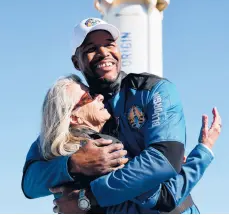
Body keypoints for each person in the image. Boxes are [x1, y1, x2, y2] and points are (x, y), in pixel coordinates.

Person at [21, 17, 222, 213]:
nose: (103, 53)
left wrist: (88, 198)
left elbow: (165, 160)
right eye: (91, 48)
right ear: (76, 62)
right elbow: (30, 182)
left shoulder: (154, 90)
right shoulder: (75, 119)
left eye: (110, 44)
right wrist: (74, 164)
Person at [39, 74, 220, 214]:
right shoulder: (104, 152)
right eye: (89, 96)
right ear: (74, 116)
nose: (100, 97)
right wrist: (204, 149)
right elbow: (167, 195)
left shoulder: (58, 156)